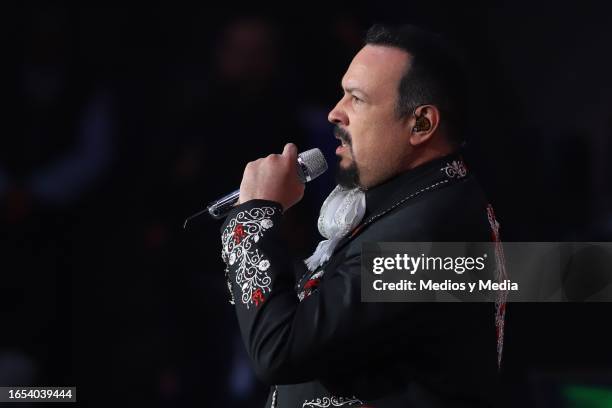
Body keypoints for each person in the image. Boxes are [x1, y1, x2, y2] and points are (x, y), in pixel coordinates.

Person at [219, 24, 504, 407]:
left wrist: (254, 217)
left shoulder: (426, 234)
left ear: (421, 124)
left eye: (357, 99)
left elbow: (280, 349)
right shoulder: (425, 203)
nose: (335, 113)